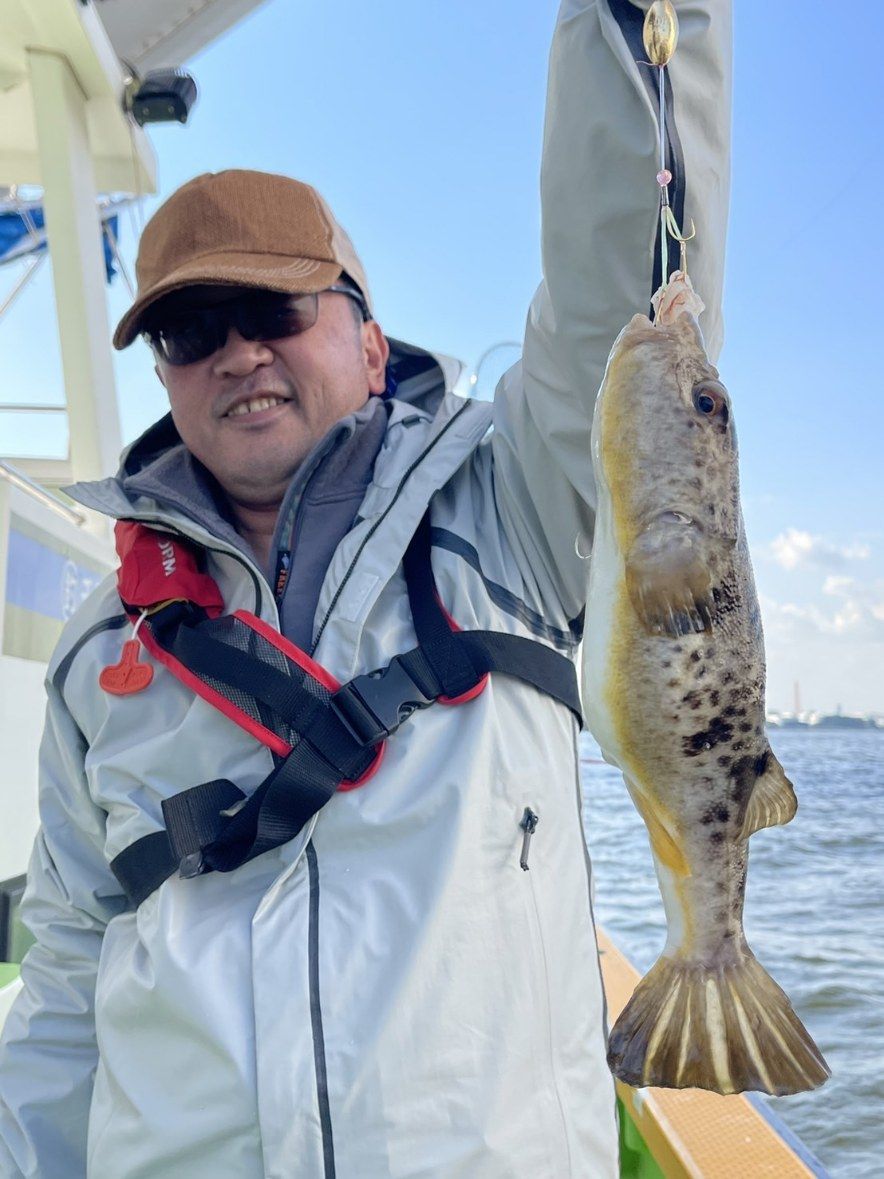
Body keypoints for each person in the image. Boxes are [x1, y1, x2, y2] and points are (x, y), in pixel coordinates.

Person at [0, 2, 731, 1175]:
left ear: (372, 347)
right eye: (190, 331)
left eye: (274, 310)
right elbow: (66, 976)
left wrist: (645, 24)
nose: (237, 352)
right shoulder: (99, 652)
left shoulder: (516, 514)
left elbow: (618, 279)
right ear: (168, 379)